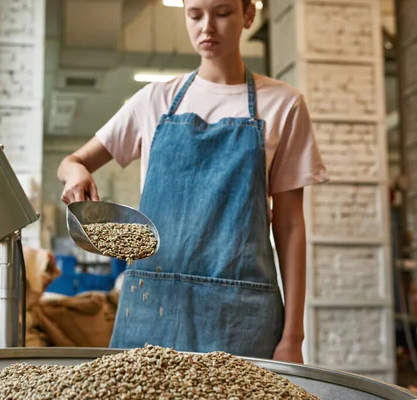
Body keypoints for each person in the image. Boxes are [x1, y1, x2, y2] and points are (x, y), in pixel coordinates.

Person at [57, 0, 329, 363]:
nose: (207, 27)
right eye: (195, 14)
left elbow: (291, 225)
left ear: (248, 15)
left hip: (242, 318)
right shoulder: (155, 100)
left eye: (222, 12)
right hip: (153, 309)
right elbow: (72, 161)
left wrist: (294, 336)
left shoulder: (284, 105)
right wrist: (75, 171)